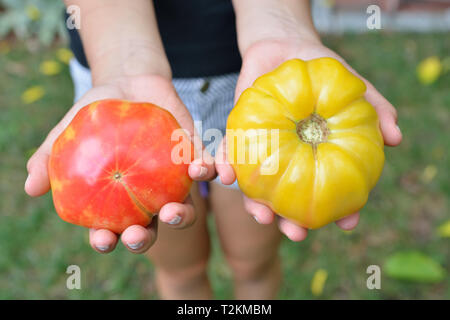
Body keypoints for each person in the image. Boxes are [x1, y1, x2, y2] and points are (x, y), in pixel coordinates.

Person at [25, 0, 402, 299]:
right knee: (180, 269)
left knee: (252, 261)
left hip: (259, 84)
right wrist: (121, 65)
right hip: (120, 95)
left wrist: (282, 25)